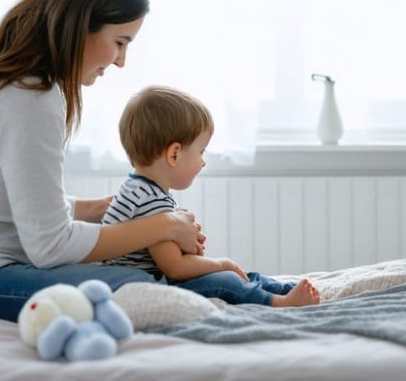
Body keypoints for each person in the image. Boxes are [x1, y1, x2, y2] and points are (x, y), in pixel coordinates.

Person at [0, 0, 205, 322]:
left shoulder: (14, 77)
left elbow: (18, 205)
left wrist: (106, 207)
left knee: (142, 281)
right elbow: (50, 245)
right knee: (137, 283)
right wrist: (161, 226)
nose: (121, 61)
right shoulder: (28, 90)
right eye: (120, 41)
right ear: (83, 24)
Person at [103, 85, 321, 307]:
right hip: (155, 287)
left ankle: (287, 290)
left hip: (154, 278)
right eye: (201, 151)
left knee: (235, 274)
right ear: (174, 154)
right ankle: (279, 302)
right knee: (227, 279)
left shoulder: (136, 189)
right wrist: (220, 263)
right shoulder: (152, 200)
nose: (203, 161)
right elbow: (175, 268)